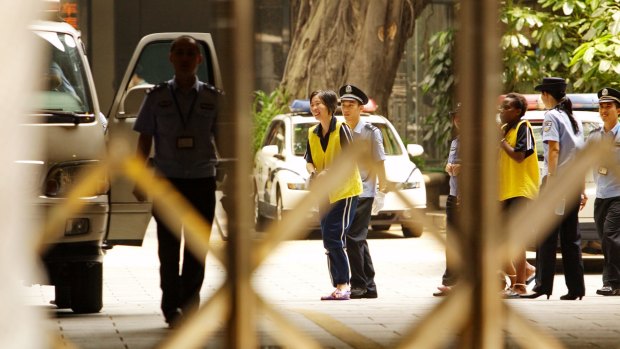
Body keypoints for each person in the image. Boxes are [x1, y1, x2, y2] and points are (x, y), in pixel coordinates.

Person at [133, 35, 221, 327]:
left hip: (201, 180)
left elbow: (223, 139)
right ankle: (171, 307)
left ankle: (189, 306)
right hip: (167, 182)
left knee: (196, 249)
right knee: (168, 250)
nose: (184, 58)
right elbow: (145, 139)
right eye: (179, 53)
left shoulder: (212, 97)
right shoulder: (156, 97)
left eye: (190, 53)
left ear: (199, 60)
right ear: (171, 58)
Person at [522, 77, 586, 300]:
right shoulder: (572, 118)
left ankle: (542, 286)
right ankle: (576, 288)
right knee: (571, 237)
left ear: (547, 95)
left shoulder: (551, 116)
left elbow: (554, 150)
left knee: (546, 235)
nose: (541, 99)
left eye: (542, 94)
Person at [304, 89, 363, 300]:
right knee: (328, 239)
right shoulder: (312, 132)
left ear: (329, 107)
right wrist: (314, 173)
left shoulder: (342, 129)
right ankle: (339, 285)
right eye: (312, 104)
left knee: (333, 234)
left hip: (345, 191)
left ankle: (344, 284)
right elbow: (309, 160)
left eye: (318, 103)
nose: (314, 108)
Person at [339, 84, 386, 299]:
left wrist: (381, 191)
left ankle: (358, 284)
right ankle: (369, 285)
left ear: (360, 108)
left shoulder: (370, 133)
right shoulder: (341, 131)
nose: (346, 109)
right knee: (358, 238)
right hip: (346, 192)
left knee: (353, 238)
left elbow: (379, 163)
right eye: (343, 105)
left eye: (351, 105)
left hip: (364, 191)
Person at [497, 93, 539, 297]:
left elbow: (520, 156)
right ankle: (527, 271)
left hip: (521, 190)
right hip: (505, 191)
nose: (501, 111)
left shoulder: (524, 127)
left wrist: (501, 142)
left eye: (506, 107)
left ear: (518, 111)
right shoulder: (506, 130)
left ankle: (520, 286)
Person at [590, 87, 620, 296]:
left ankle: (611, 282)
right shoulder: (594, 136)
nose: (604, 110)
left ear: (618, 110)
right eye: (601, 106)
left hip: (619, 195)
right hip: (601, 194)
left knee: (610, 236)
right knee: (606, 239)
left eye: (608, 106)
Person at [433, 103, 461, 297]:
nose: (458, 120)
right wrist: (449, 166)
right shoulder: (456, 141)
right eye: (456, 116)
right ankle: (450, 280)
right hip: (454, 195)